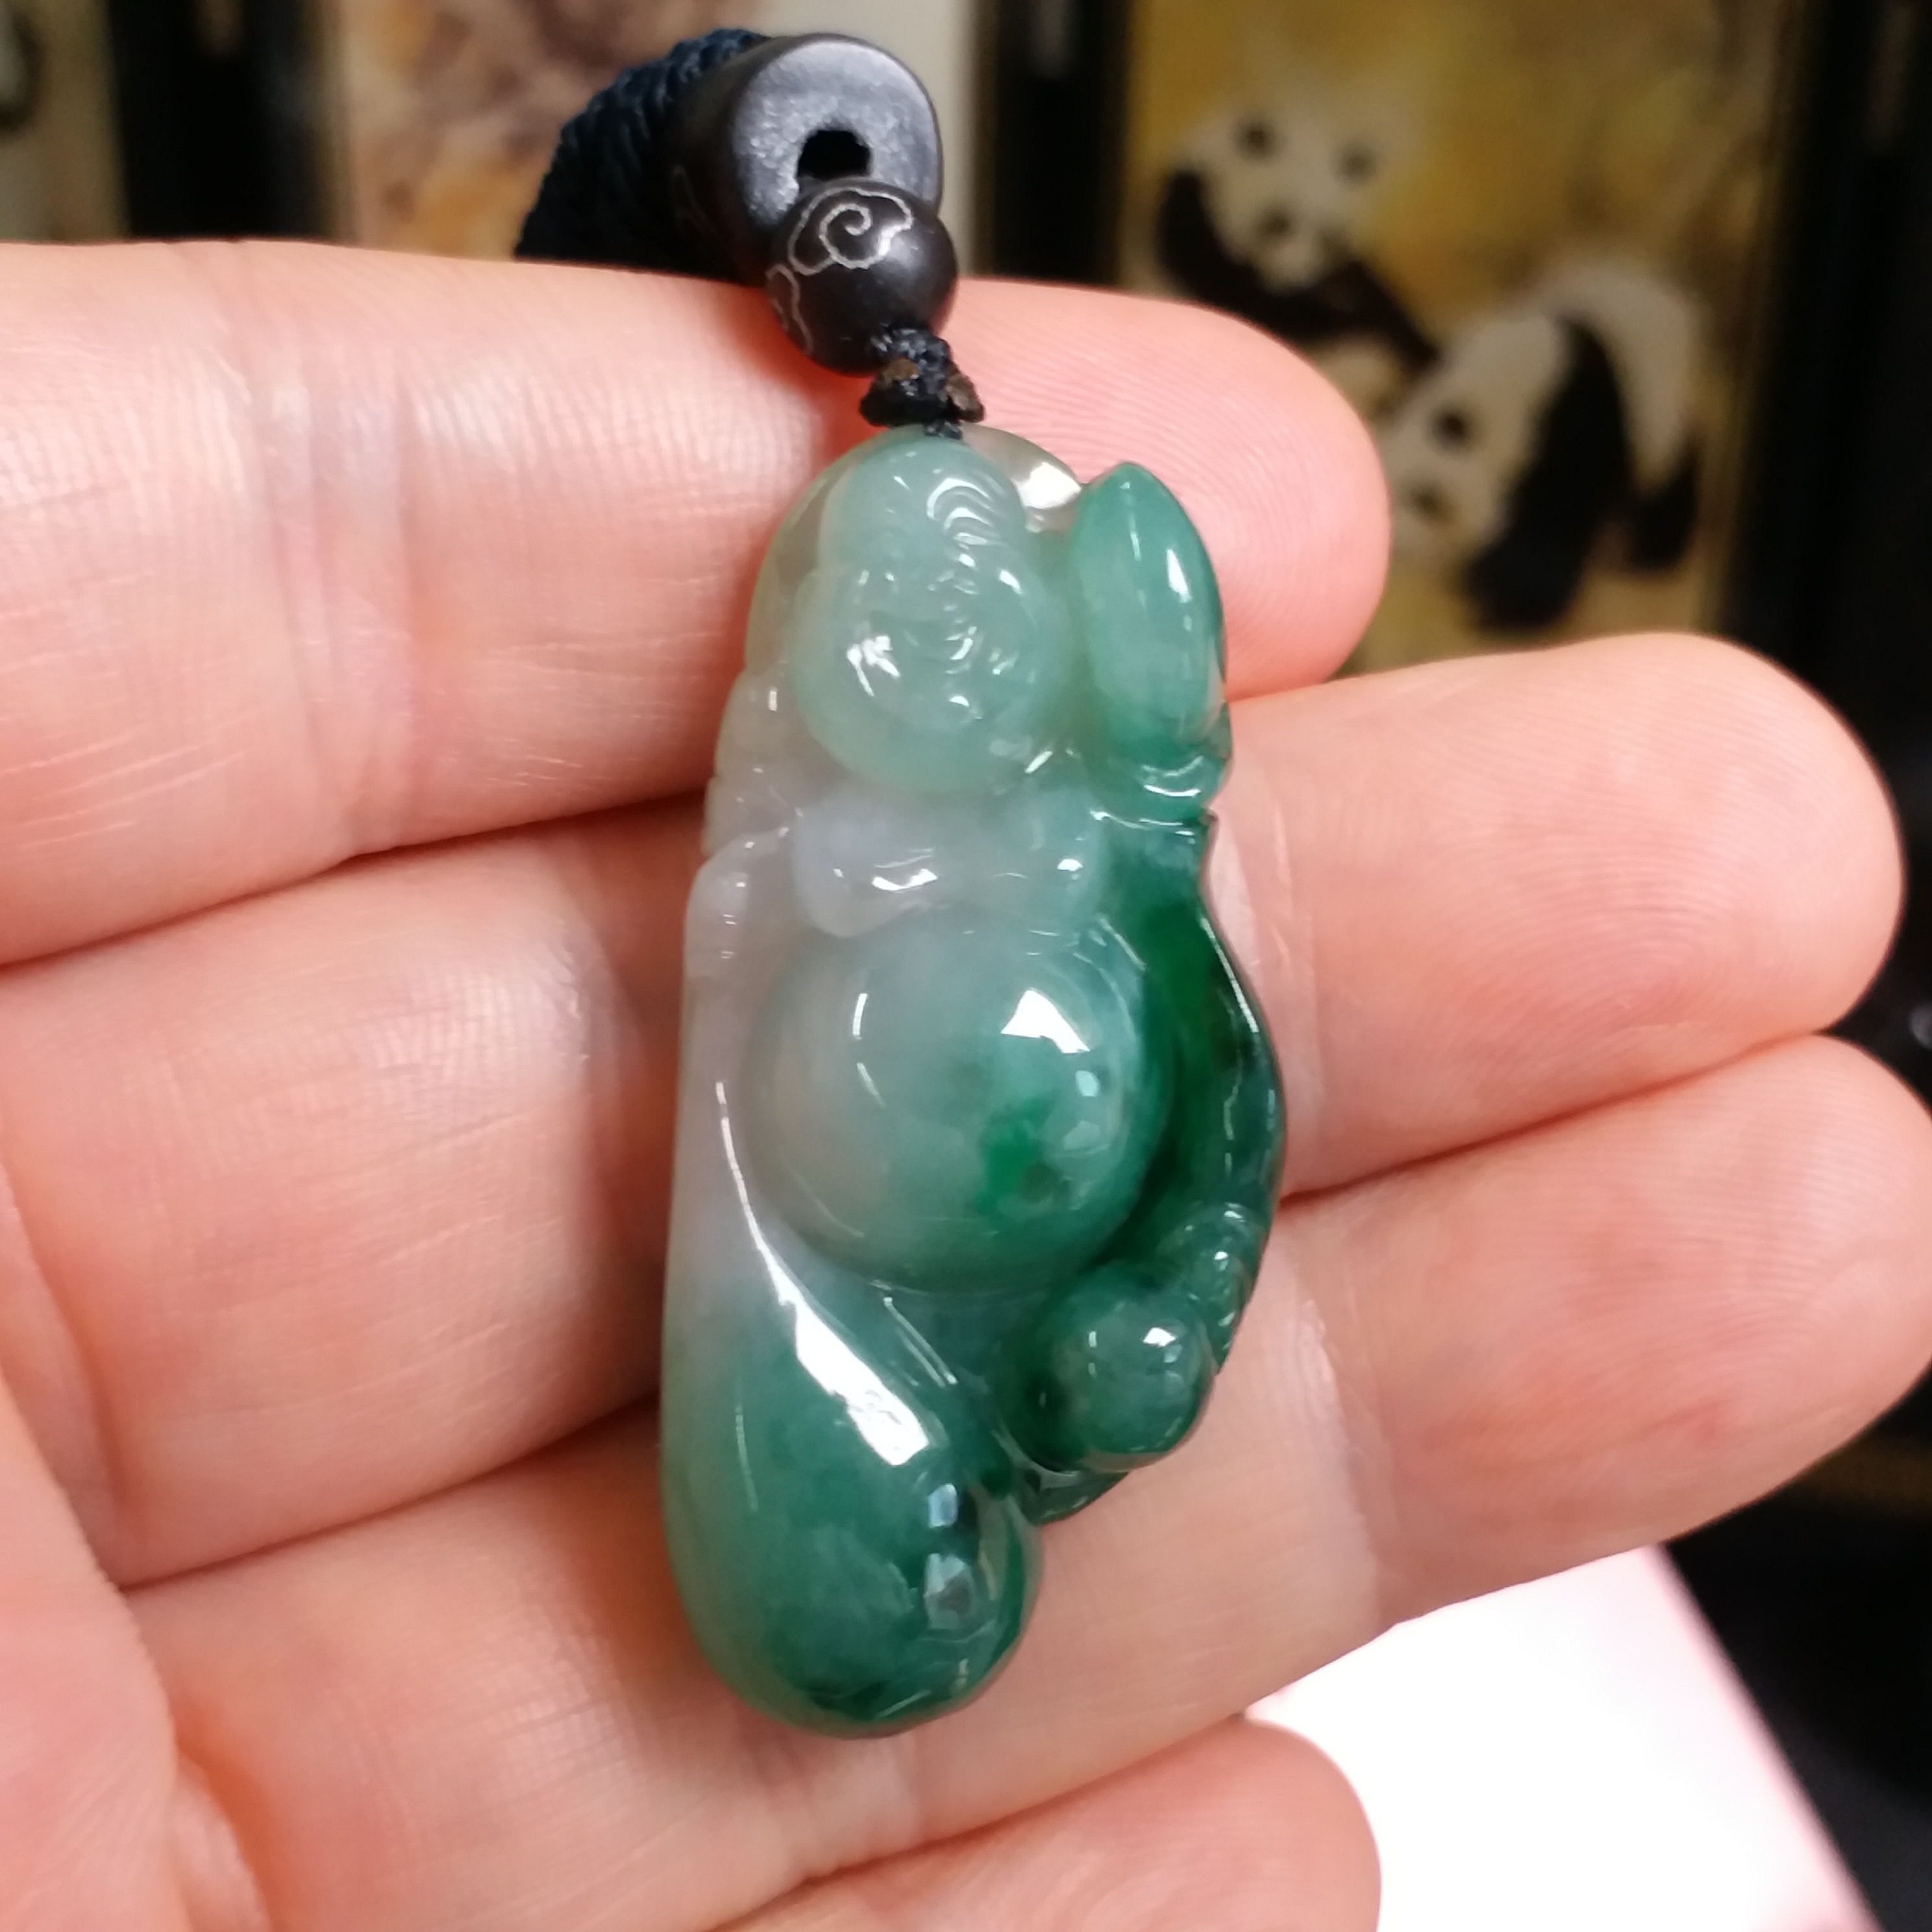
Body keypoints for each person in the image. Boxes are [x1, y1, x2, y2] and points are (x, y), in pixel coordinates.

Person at [1, 242, 1927, 1932]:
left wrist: (1172, 1284)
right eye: (872, 612)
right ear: (799, 672)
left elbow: (1219, 1086)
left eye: (979, 604)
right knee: (842, 1608)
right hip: (831, 1285)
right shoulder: (795, 870)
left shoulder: (1110, 840)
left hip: (1013, 1274)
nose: (924, 641)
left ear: (1051, 642)